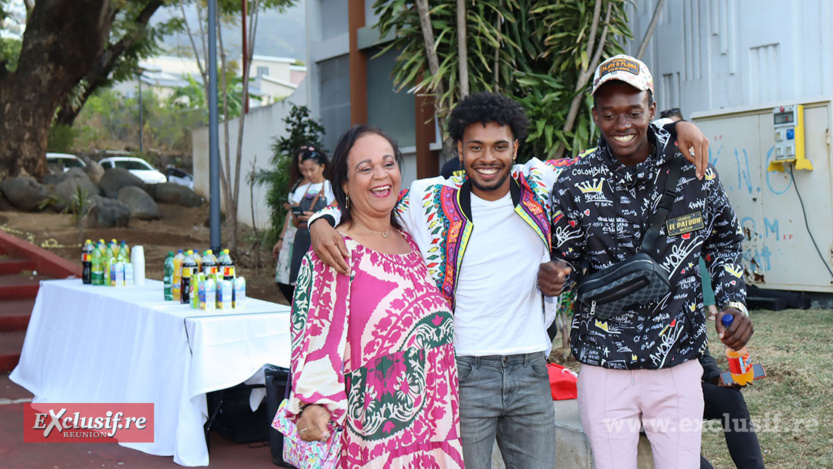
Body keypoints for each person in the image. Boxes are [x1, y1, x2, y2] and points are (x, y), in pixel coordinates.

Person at [309, 92, 710, 468]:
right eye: (476, 147)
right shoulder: (428, 199)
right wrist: (320, 221)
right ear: (460, 150)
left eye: (500, 147)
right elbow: (368, 195)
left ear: (515, 149)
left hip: (531, 373)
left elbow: (610, 147)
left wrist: (673, 128)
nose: (488, 158)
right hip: (461, 375)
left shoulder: (541, 184)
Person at [543, 55, 754, 469]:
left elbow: (725, 241)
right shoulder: (574, 182)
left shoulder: (694, 173)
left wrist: (734, 303)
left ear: (652, 110)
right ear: (595, 116)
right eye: (609, 114)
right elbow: (565, 258)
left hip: (676, 363)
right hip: (604, 366)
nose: (622, 124)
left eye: (633, 112)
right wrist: (557, 274)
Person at [278, 125, 464, 467]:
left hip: (436, 434)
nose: (381, 175)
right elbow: (313, 341)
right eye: (365, 168)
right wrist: (314, 404)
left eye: (388, 163)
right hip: (370, 442)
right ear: (345, 185)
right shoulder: (333, 251)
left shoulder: (416, 238)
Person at [661, 108, 721, 320]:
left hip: (692, 212)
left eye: (679, 126)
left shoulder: (697, 165)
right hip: (669, 220)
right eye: (672, 128)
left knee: (699, 260)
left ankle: (711, 307)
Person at [699, 350, 765, 469]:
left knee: (730, 397)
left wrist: (716, 377)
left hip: (685, 388)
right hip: (657, 398)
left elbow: (700, 353)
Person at [288, 147, 334, 288]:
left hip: (321, 236)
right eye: (305, 170)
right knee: (300, 281)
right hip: (301, 236)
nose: (308, 174)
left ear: (322, 167)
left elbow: (335, 214)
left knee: (319, 280)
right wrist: (296, 214)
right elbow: (295, 223)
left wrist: (315, 217)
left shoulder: (330, 187)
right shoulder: (301, 190)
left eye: (312, 169)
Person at [273, 146, 313, 302]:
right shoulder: (298, 183)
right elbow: (290, 214)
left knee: (300, 276)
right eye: (300, 162)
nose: (302, 165)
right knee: (283, 278)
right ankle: (295, 307)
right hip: (290, 233)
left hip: (305, 233)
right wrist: (281, 238)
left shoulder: (322, 185)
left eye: (305, 161)